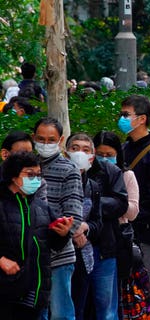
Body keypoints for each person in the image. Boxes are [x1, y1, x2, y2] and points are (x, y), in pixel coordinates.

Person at [0, 152, 73, 319]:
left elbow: (53, 245)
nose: (35, 179)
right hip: (6, 291)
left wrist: (62, 234)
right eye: (29, 174)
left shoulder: (41, 207)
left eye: (38, 175)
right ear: (13, 176)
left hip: (36, 291)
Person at [68, 133, 129, 320]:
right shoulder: (56, 174)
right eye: (75, 149)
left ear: (92, 156)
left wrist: (91, 207)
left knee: (106, 307)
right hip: (68, 251)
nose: (80, 154)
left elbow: (121, 203)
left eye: (86, 150)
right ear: (66, 152)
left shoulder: (109, 172)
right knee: (74, 306)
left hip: (103, 247)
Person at [33, 117, 84, 320]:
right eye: (41, 139)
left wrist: (64, 230)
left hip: (58, 255)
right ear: (33, 138)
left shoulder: (69, 170)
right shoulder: (25, 166)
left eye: (51, 139)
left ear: (60, 140)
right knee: (36, 312)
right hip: (32, 255)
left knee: (61, 313)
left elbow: (74, 215)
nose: (45, 144)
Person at [119, 94, 150, 277]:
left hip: (145, 232)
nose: (121, 119)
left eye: (126, 114)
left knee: (140, 286)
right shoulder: (125, 148)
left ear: (142, 119)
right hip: (123, 229)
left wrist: (132, 215)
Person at [92, 131, 140, 284]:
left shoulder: (127, 176)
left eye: (109, 154)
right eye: (100, 154)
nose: (105, 159)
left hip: (117, 238)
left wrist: (116, 203)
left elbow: (132, 212)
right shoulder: (88, 175)